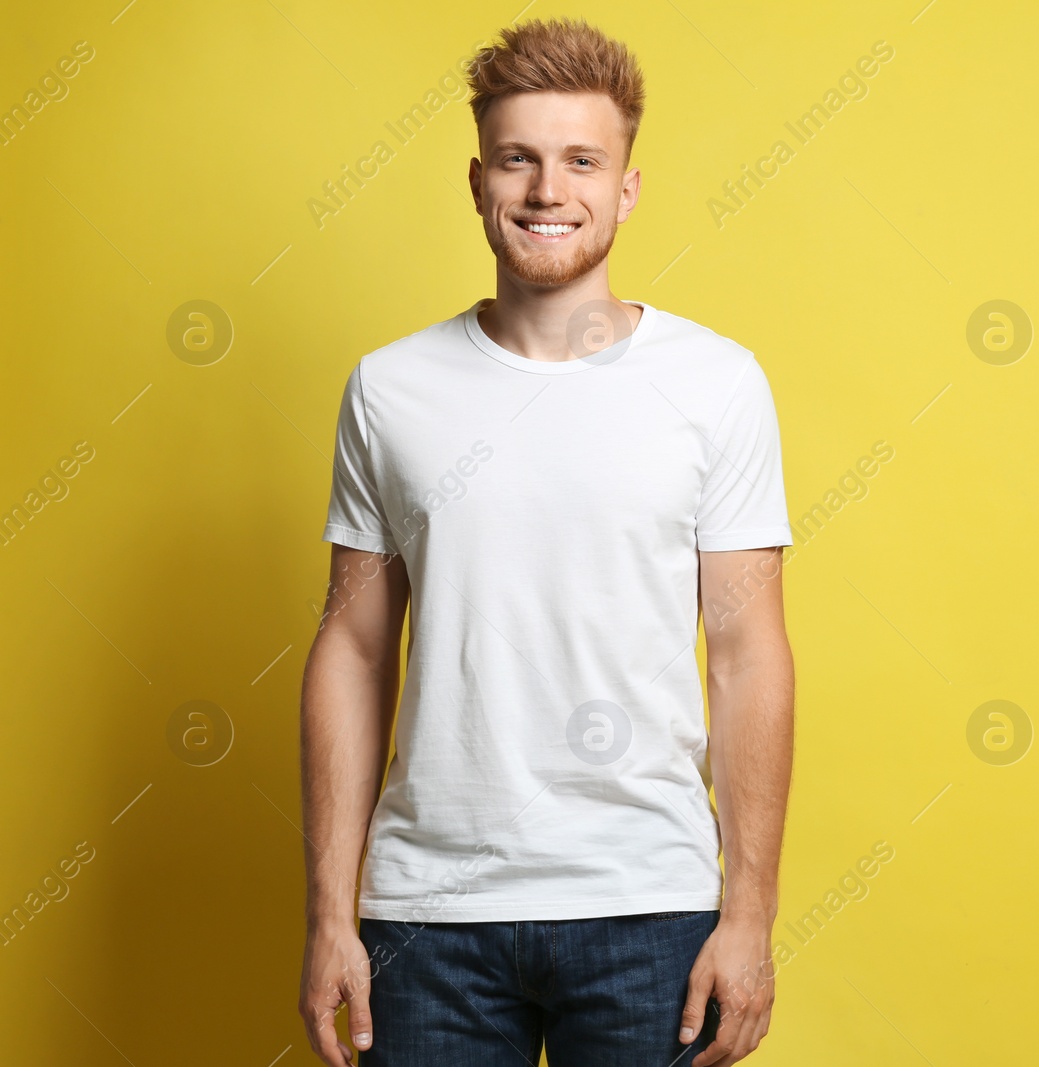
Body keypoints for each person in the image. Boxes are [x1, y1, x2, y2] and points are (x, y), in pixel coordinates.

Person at [295, 17, 795, 1066]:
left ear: (627, 186)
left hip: (648, 906)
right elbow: (352, 647)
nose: (546, 190)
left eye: (581, 160)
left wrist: (746, 916)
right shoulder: (392, 388)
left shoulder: (715, 384)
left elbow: (749, 655)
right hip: (423, 923)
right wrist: (329, 914)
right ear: (477, 181)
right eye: (518, 159)